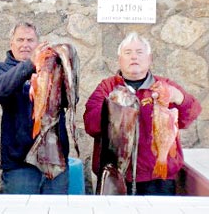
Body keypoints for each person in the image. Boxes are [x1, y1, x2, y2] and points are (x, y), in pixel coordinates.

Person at [83, 32, 202, 195]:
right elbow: (91, 125)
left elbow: (190, 116)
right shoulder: (107, 87)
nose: (134, 57)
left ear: (149, 58)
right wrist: (115, 106)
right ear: (119, 59)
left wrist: (179, 97)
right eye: (128, 53)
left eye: (139, 53)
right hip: (115, 177)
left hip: (158, 178)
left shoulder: (164, 86)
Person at [0, 22, 70, 194]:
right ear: (12, 44)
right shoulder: (0, 69)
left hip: (55, 163)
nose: (25, 44)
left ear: (37, 43)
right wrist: (30, 64)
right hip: (20, 166)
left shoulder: (53, 68)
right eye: (20, 40)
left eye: (30, 40)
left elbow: (70, 100)